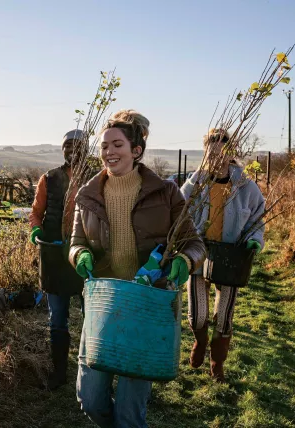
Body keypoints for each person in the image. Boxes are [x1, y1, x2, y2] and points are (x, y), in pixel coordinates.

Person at [68, 110, 206, 427]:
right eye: (104, 146)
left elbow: (194, 243)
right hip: (104, 304)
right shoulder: (87, 195)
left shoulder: (166, 192)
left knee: (130, 413)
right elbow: (76, 242)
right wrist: (79, 256)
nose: (109, 152)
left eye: (117, 144)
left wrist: (185, 261)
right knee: (89, 398)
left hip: (146, 305)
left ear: (136, 151)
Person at [181, 128, 265, 382]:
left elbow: (256, 218)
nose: (217, 158)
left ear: (231, 155)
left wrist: (253, 241)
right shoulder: (194, 185)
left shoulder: (246, 187)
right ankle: (199, 341)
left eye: (222, 153)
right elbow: (178, 214)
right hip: (198, 254)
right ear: (206, 153)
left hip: (231, 257)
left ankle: (217, 363)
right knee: (198, 315)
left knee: (224, 318)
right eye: (211, 152)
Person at [29, 129, 85, 390]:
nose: (72, 151)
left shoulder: (96, 178)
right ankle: (59, 372)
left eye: (77, 146)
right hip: (53, 253)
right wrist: (36, 229)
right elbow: (37, 212)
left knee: (91, 315)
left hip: (87, 256)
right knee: (57, 317)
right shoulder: (49, 179)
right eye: (68, 146)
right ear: (62, 149)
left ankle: (90, 370)